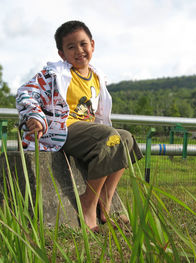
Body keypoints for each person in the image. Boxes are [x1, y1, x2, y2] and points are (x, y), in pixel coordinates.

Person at [16, 20, 143, 232]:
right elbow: (25, 92)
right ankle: (88, 203)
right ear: (61, 53)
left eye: (83, 44)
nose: (79, 51)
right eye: (71, 47)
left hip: (87, 130)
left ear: (92, 45)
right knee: (110, 137)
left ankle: (105, 197)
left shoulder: (97, 76)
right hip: (63, 130)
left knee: (126, 138)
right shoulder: (54, 74)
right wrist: (35, 115)